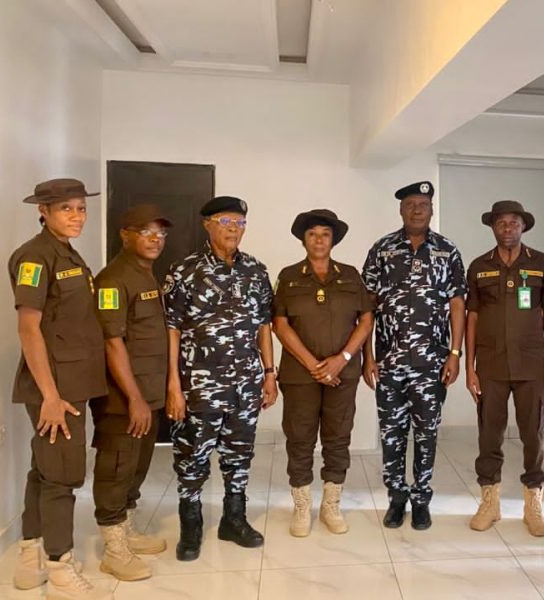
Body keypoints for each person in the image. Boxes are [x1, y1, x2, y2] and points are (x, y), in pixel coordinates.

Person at [8, 178, 111, 599]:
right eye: (66, 208)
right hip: (56, 389)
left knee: (44, 469)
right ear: (44, 212)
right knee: (62, 477)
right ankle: (60, 568)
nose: (77, 216)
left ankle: (30, 558)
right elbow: (28, 328)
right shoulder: (35, 256)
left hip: (71, 382)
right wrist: (50, 396)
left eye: (81, 208)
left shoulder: (66, 252)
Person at [163, 196, 277, 561]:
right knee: (192, 456)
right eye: (226, 222)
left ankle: (234, 519)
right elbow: (171, 329)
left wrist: (269, 373)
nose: (234, 229)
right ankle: (191, 526)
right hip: (199, 384)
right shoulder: (185, 271)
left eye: (240, 223)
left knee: (239, 454)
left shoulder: (255, 271)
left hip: (245, 383)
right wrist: (173, 385)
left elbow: (264, 325)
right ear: (207, 225)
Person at [362, 181, 466, 530]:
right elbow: (367, 306)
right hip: (389, 363)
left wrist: (455, 353)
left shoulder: (447, 250)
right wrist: (367, 357)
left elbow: (457, 304)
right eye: (410, 204)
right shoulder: (382, 249)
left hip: (432, 364)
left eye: (423, 204)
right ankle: (396, 497)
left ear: (432, 210)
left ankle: (421, 499)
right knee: (391, 434)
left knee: (426, 434)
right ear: (401, 210)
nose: (417, 210)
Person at [272, 209, 375, 537]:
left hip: (342, 374)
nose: (319, 240)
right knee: (300, 438)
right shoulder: (289, 276)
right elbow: (279, 324)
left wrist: (341, 359)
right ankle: (302, 506)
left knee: (338, 436)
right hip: (300, 374)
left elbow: (366, 320)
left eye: (325, 234)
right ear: (304, 240)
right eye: (312, 234)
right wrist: (313, 364)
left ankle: (331, 504)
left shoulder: (351, 275)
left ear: (333, 240)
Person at [465, 200, 544, 537]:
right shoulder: (479, 267)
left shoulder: (542, 264)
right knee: (489, 434)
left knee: (533, 435)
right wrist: (469, 366)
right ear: (493, 227)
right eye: (501, 223)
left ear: (523, 226)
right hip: (490, 364)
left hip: (532, 364)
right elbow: (472, 317)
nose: (507, 228)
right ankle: (490, 502)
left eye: (513, 222)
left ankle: (533, 504)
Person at [91, 205, 172, 581]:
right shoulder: (113, 280)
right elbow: (112, 342)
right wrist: (135, 399)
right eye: (146, 232)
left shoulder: (145, 274)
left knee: (136, 467)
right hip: (123, 400)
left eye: (161, 233)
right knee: (116, 468)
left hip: (148, 393)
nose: (156, 239)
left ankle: (126, 529)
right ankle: (113, 549)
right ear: (126, 235)